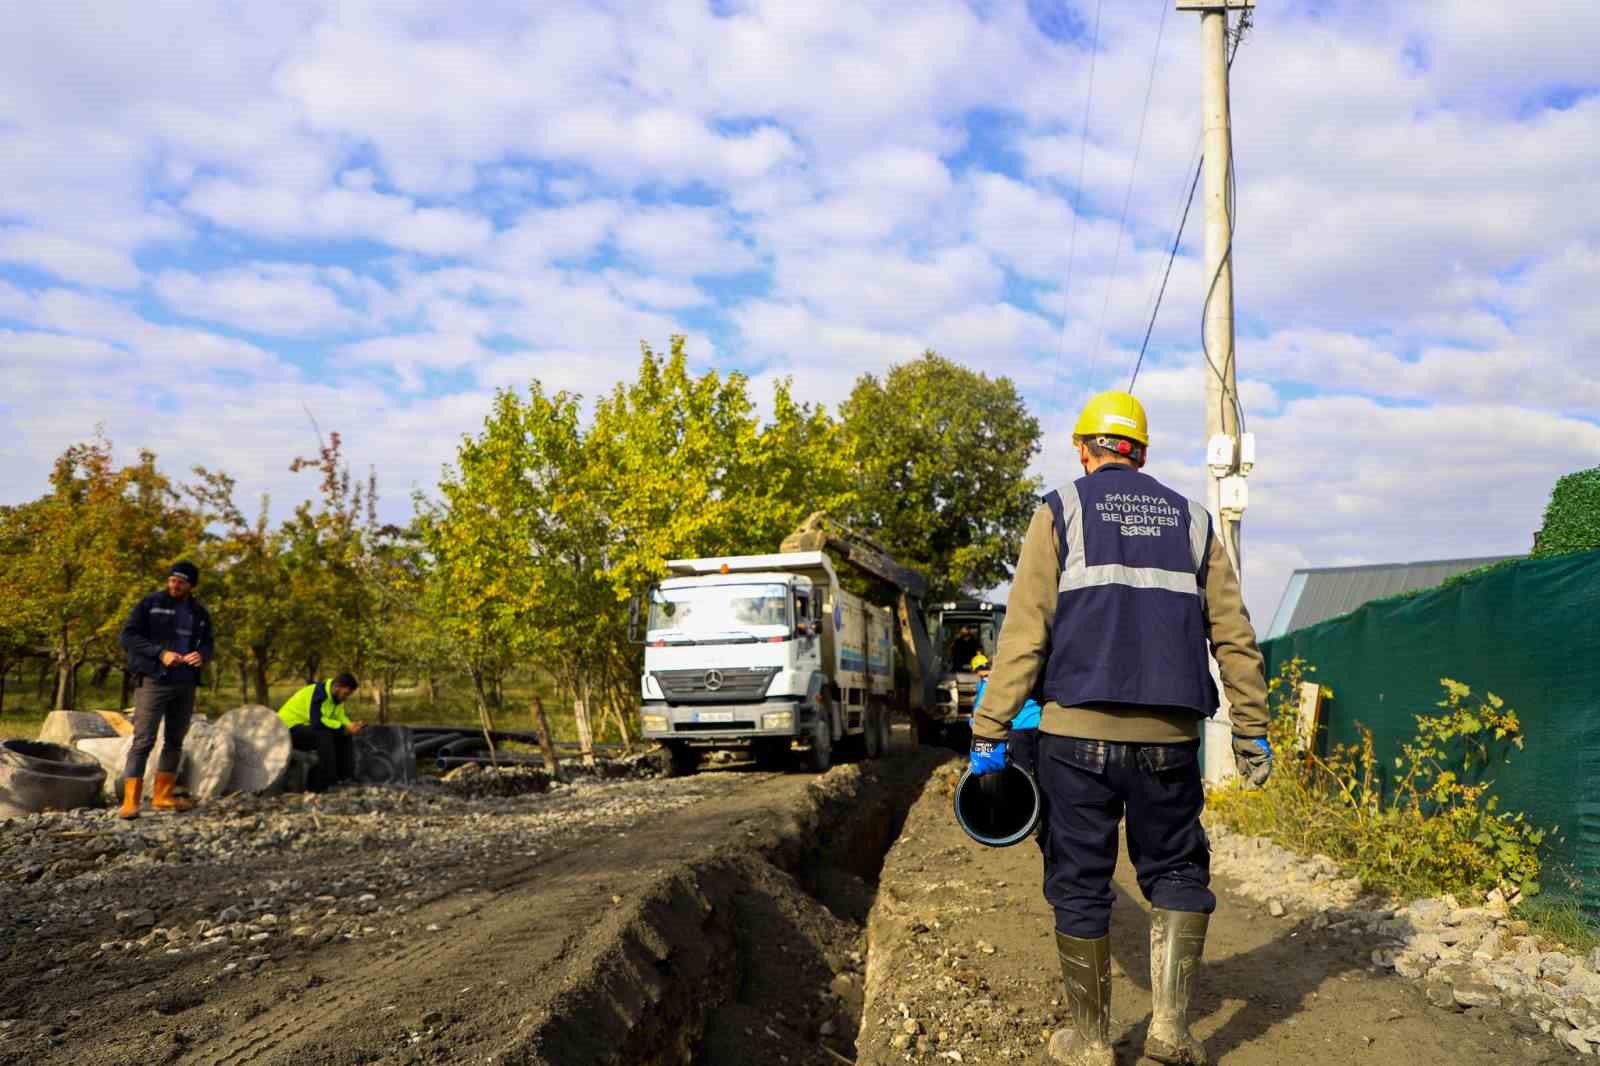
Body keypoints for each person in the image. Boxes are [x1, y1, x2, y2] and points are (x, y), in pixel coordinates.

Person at [968, 390, 1271, 1066]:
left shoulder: (1061, 511)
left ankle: (1091, 1041)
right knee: (1176, 869)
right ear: (1140, 454)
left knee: (1079, 878)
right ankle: (1171, 1030)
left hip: (1073, 738)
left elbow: (1024, 636)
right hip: (1170, 742)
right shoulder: (1194, 521)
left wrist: (990, 728)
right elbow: (1235, 636)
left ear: (1084, 450)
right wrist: (1251, 726)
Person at [115, 560, 214, 819]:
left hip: (186, 682)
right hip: (154, 680)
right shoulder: (151, 603)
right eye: (172, 579)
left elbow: (209, 644)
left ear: (191, 585)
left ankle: (162, 796)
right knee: (144, 740)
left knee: (175, 741)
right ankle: (130, 802)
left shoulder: (200, 613)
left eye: (181, 581)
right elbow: (127, 637)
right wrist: (160, 654)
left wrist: (201, 654)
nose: (174, 584)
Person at [276, 673, 365, 792]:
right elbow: (317, 722)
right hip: (286, 730)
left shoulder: (336, 698)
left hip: (305, 728)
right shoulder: (318, 693)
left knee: (343, 735)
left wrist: (350, 725)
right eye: (346, 694)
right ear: (337, 686)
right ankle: (325, 784)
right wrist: (341, 726)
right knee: (324, 735)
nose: (346, 697)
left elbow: (339, 716)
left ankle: (344, 778)